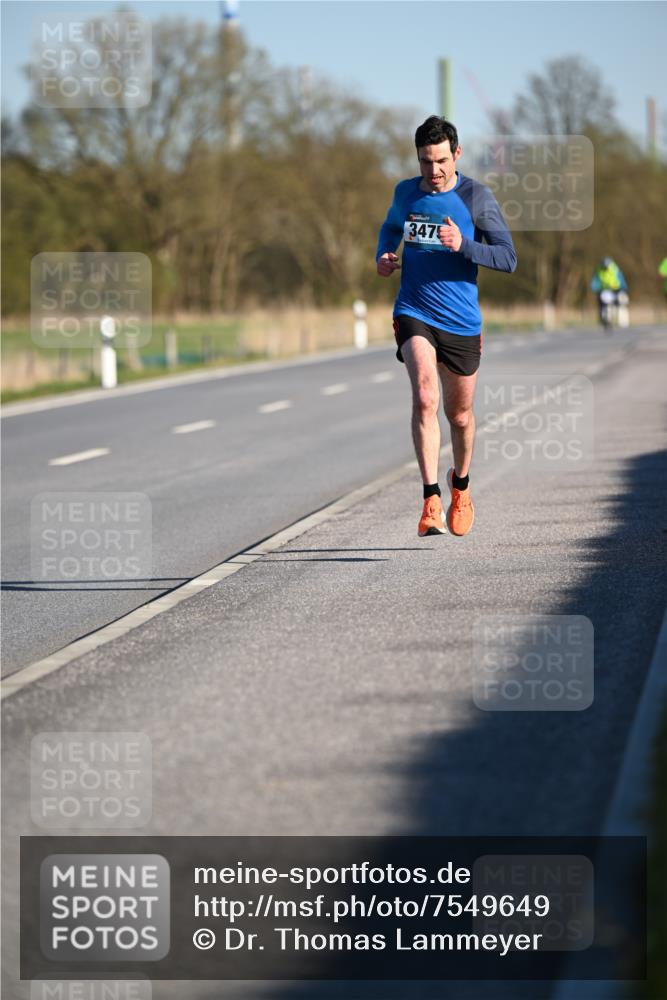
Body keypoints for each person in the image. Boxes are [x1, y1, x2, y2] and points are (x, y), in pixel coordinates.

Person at [376, 116, 516, 538]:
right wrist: (384, 254)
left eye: (440, 161)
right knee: (424, 395)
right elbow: (389, 228)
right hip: (414, 309)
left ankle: (461, 487)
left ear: (456, 154)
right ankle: (430, 499)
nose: (433, 171)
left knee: (459, 415)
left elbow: (508, 257)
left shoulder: (476, 197)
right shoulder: (405, 193)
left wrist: (465, 247)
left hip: (461, 321)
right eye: (425, 162)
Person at [590, 257, 627, 325]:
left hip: (617, 290)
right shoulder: (599, 270)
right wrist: (594, 288)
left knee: (621, 304)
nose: (606, 268)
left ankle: (622, 322)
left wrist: (623, 288)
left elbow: (621, 279)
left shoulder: (615, 269)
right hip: (604, 290)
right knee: (603, 304)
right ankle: (605, 319)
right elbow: (595, 281)